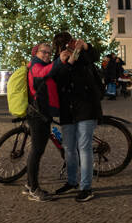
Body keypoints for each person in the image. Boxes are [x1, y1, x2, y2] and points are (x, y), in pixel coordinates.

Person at [51, 32, 102, 203]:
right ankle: (72, 181)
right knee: (69, 148)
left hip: (86, 107)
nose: (68, 47)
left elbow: (94, 57)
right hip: (68, 110)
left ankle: (86, 187)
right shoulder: (57, 61)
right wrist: (62, 61)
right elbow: (56, 79)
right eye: (63, 45)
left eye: (69, 43)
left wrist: (86, 46)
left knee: (83, 147)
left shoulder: (82, 56)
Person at [25, 42, 70, 202]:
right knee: (37, 151)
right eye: (43, 52)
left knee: (37, 150)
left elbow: (53, 74)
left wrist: (63, 62)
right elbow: (43, 73)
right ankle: (33, 188)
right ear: (36, 53)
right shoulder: (36, 66)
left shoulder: (45, 64)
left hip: (43, 114)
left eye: (49, 53)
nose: (47, 55)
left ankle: (29, 183)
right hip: (38, 115)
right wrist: (58, 61)